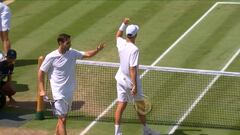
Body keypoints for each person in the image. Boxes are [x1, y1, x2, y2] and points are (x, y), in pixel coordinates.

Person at [38, 33, 105, 135]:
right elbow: (41, 71)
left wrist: (97, 49)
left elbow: (87, 54)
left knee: (63, 118)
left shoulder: (72, 52)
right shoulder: (51, 56)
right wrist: (42, 90)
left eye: (70, 42)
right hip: (58, 94)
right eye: (67, 43)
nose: (70, 44)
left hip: (69, 92)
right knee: (63, 119)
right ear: (61, 43)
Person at [114, 18, 160, 135]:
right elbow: (132, 68)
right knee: (140, 106)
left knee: (121, 105)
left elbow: (118, 34)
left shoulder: (121, 43)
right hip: (130, 81)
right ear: (135, 35)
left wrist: (124, 23)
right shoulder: (135, 49)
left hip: (120, 79)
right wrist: (134, 85)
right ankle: (146, 131)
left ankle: (117, 133)